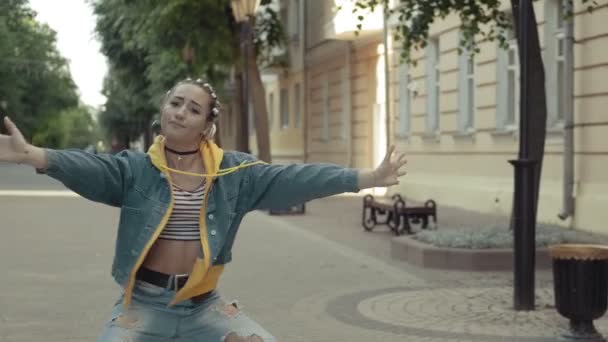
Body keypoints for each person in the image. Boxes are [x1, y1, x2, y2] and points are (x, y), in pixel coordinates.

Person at [0, 78, 407, 341]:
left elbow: (294, 179)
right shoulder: (136, 168)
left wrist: (367, 176)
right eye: (175, 103)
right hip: (142, 306)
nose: (181, 112)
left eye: (193, 109)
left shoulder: (236, 173)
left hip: (205, 308)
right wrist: (32, 155)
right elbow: (88, 167)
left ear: (206, 126)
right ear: (163, 110)